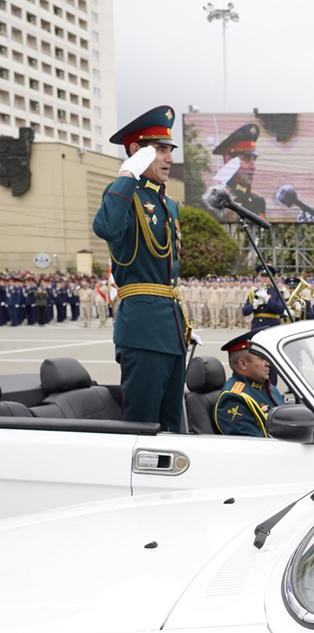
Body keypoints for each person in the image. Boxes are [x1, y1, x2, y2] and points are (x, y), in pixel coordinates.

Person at [92, 105, 190, 432]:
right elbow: (106, 227)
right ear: (135, 151)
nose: (169, 158)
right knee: (142, 426)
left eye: (169, 150)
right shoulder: (123, 194)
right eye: (160, 149)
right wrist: (126, 175)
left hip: (171, 326)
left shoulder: (168, 203)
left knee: (173, 424)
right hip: (144, 329)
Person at [213, 330, 284, 437]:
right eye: (261, 358)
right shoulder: (234, 398)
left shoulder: (267, 388)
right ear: (243, 364)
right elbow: (253, 445)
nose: (268, 363)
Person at [212, 122, 265, 217]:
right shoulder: (217, 201)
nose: (253, 167)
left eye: (254, 160)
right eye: (247, 159)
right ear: (229, 160)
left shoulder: (258, 200)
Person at [242, 265, 287, 331]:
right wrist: (254, 305)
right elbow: (244, 311)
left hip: (272, 327)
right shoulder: (253, 293)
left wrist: (268, 300)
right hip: (256, 327)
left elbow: (281, 310)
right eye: (262, 276)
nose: (264, 278)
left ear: (272, 278)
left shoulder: (278, 293)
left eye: (267, 276)